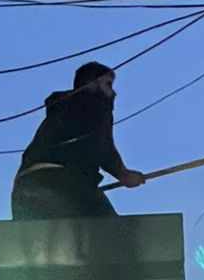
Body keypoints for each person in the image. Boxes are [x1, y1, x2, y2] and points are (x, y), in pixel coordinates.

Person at [11, 62, 146, 220]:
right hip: (64, 181)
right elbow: (102, 145)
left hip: (25, 185)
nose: (113, 93)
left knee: (35, 241)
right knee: (115, 235)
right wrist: (123, 173)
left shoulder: (62, 108)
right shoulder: (96, 103)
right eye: (108, 84)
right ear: (91, 84)